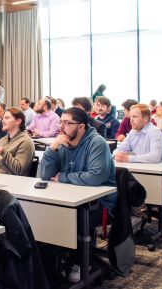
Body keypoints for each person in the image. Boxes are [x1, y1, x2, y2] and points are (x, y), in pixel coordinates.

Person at [39, 107, 117, 283]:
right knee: (44, 216)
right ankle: (55, 263)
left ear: (81, 126)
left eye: (67, 123)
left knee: (63, 219)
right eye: (61, 122)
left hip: (99, 203)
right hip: (70, 198)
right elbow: (43, 175)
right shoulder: (63, 142)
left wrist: (62, 177)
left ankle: (82, 262)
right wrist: (52, 148)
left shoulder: (97, 143)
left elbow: (95, 177)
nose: (62, 127)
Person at [0, 108, 35, 176]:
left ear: (18, 121)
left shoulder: (26, 142)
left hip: (13, 182)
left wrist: (3, 152)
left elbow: (19, 170)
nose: (2, 121)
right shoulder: (2, 140)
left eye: (7, 118)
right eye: (3, 118)